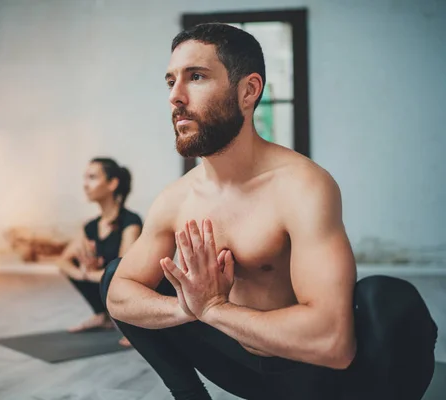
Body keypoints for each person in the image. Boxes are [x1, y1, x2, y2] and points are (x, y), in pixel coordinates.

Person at [100, 23, 437, 399]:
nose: (175, 97)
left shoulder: (303, 186)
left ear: (248, 91)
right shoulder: (176, 199)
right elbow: (118, 298)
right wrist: (189, 308)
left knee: (387, 299)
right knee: (117, 275)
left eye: (196, 77)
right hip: (241, 366)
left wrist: (213, 308)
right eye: (170, 81)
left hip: (317, 377)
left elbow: (333, 344)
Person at [56, 157, 142, 346]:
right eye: (85, 178)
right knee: (79, 261)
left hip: (129, 286)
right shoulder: (90, 227)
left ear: (112, 184)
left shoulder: (130, 222)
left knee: (118, 272)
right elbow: (63, 261)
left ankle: (137, 325)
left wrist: (92, 274)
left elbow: (125, 271)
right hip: (103, 282)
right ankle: (102, 316)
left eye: (92, 177)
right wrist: (84, 273)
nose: (85, 185)